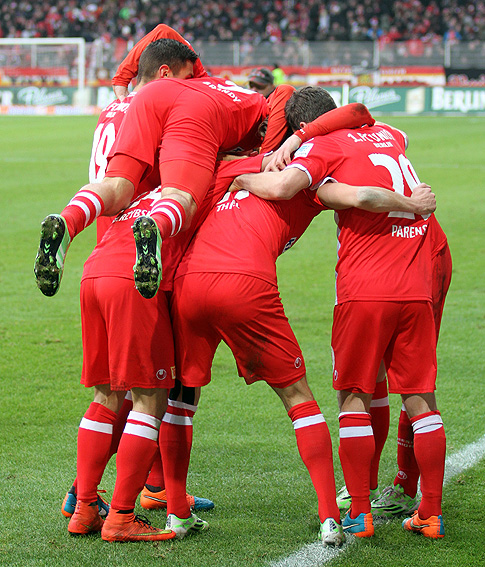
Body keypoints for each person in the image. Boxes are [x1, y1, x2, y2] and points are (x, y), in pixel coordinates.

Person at [161, 133, 436, 546]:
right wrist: (413, 203)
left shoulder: (227, 168)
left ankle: (175, 511)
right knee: (299, 398)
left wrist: (252, 166)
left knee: (181, 400)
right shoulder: (308, 178)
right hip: (246, 283)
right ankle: (331, 517)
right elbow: (358, 192)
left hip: (187, 283)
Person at [231, 86, 447, 540]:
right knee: (421, 399)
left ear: (301, 127)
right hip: (417, 279)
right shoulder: (389, 134)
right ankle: (430, 512)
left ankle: (360, 512)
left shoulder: (320, 149)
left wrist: (246, 177)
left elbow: (317, 190)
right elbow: (364, 118)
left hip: (364, 288)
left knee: (353, 398)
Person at [61, 37, 214, 528]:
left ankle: (89, 496)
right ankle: (152, 495)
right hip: (148, 242)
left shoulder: (115, 106)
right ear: (168, 72)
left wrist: (124, 76)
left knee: (114, 388)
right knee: (160, 385)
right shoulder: (162, 107)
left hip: (105, 236)